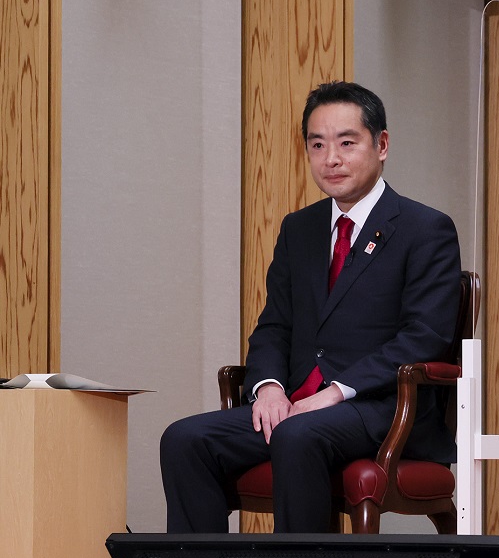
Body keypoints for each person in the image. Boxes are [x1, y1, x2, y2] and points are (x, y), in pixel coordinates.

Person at [159, 81, 461, 534]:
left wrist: (337, 391)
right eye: (317, 145)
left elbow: (425, 336)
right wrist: (268, 387)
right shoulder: (299, 229)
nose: (330, 159)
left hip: (383, 407)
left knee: (297, 435)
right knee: (185, 440)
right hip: (298, 405)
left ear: (381, 145)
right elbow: (274, 325)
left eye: (346, 143)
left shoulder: (425, 228)